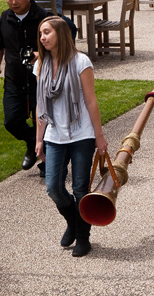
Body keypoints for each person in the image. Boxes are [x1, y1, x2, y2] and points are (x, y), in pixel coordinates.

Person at [34, 17, 108, 257]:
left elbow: (90, 100)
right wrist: (39, 139)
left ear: (61, 34)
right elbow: (40, 105)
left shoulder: (81, 62)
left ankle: (83, 238)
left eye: (47, 32)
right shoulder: (41, 65)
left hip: (81, 134)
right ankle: (74, 223)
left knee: (80, 188)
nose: (43, 37)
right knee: (53, 188)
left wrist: (99, 136)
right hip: (55, 134)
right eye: (41, 33)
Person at [0, 0, 49, 172]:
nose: (13, 2)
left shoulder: (44, 17)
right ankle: (33, 143)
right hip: (14, 80)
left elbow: (61, 44)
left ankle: (49, 165)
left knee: (46, 123)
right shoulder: (5, 17)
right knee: (12, 121)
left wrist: (42, 54)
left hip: (41, 81)